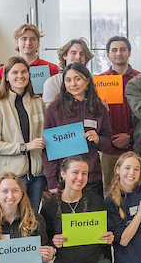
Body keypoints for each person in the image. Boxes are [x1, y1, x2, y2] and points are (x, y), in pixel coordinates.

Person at [40, 156, 124, 263]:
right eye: (75, 172)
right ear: (63, 175)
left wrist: (109, 237)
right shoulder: (48, 207)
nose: (80, 177)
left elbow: (106, 236)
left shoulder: (96, 201)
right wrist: (53, 244)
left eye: (84, 173)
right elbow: (44, 242)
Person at [41, 61, 114, 196]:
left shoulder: (99, 108)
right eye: (68, 80)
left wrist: (98, 139)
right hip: (64, 178)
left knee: (93, 215)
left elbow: (107, 141)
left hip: (91, 176)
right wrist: (51, 180)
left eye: (77, 79)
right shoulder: (54, 108)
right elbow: (48, 148)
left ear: (87, 81)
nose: (73, 84)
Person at [0, 55, 47, 207]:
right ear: (6, 77)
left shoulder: (38, 102)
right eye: (15, 72)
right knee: (13, 219)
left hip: (37, 174)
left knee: (32, 217)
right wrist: (24, 146)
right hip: (12, 176)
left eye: (24, 72)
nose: (20, 76)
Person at [101, 35, 140, 190]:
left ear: (129, 53)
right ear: (108, 54)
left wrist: (130, 136)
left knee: (134, 190)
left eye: (123, 49)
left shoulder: (139, 78)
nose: (119, 53)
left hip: (134, 147)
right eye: (114, 50)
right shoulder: (100, 80)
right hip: (108, 149)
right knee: (109, 192)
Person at [42, 37, 94, 105]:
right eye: (74, 53)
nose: (78, 56)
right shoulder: (52, 82)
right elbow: (48, 111)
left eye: (82, 54)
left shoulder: (93, 81)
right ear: (65, 56)